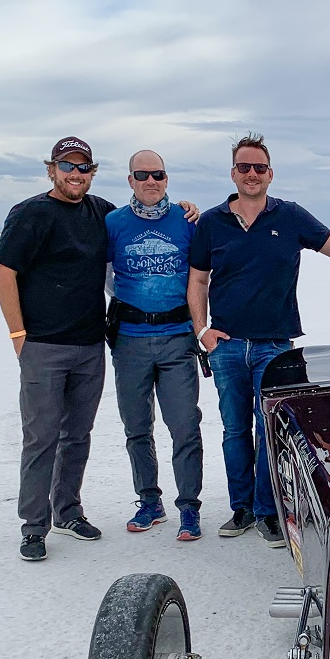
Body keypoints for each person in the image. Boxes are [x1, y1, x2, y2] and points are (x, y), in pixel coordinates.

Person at [187, 133, 330, 548]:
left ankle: (268, 511)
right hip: (228, 345)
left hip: (274, 346)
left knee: (269, 428)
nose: (251, 174)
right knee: (235, 430)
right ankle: (241, 508)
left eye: (259, 168)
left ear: (270, 174)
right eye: (244, 167)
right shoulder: (212, 222)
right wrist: (202, 331)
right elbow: (198, 279)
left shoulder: (289, 217)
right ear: (233, 172)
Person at [0, 137, 198, 562]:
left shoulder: (100, 213)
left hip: (90, 344)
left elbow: (138, 226)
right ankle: (34, 527)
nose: (75, 174)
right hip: (44, 345)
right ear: (51, 170)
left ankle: (67, 511)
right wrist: (18, 336)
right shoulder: (30, 213)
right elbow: (4, 273)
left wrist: (187, 208)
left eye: (83, 167)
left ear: (92, 173)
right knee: (40, 437)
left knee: (77, 436)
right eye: (67, 166)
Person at [106, 150, 204, 543]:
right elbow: (106, 274)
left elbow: (203, 274)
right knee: (136, 427)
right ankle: (149, 501)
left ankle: (189, 507)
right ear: (130, 180)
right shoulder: (113, 222)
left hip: (177, 338)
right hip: (129, 341)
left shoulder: (188, 220)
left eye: (158, 174)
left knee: (184, 425)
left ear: (167, 179)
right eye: (142, 175)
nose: (151, 181)